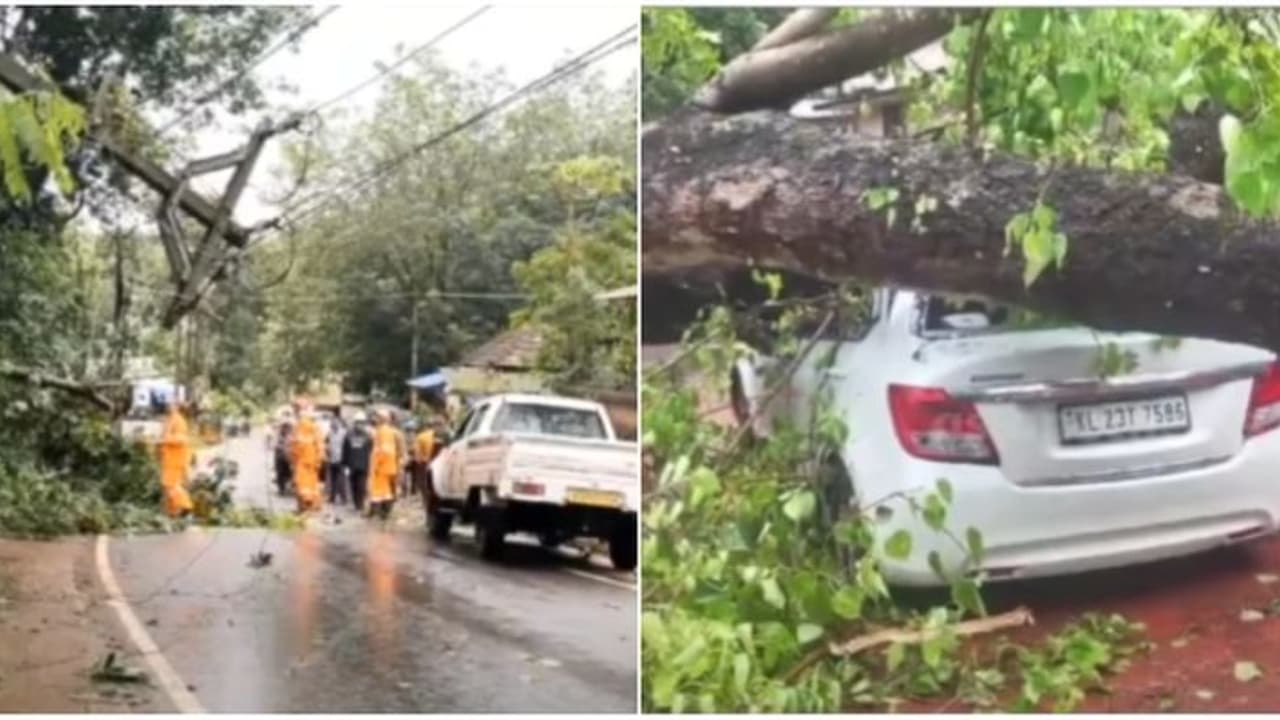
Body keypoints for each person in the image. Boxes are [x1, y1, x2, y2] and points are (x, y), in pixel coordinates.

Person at [158, 400, 194, 518]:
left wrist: (164, 440)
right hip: (171, 458)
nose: (168, 405)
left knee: (171, 486)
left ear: (177, 407)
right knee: (169, 486)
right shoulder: (172, 419)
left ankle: (186, 506)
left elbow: (181, 439)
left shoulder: (178, 420)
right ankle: (172, 512)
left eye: (172, 404)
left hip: (175, 458)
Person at [291, 404, 325, 513]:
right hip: (311, 462)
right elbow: (320, 447)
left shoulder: (298, 428)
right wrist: (319, 462)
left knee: (302, 486)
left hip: (302, 462)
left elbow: (294, 448)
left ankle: (304, 506)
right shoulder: (315, 428)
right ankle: (313, 505)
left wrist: (293, 461)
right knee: (311, 485)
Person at [368, 409, 400, 521]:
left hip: (382, 466)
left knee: (378, 490)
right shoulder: (387, 431)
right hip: (387, 465)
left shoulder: (383, 431)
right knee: (385, 490)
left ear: (382, 419)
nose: (375, 420)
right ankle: (384, 512)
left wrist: (377, 465)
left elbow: (384, 450)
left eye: (377, 417)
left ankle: (378, 512)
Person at [342, 412, 373, 512]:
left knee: (361, 486)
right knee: (353, 485)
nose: (360, 425)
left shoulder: (368, 436)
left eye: (362, 422)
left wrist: (370, 465)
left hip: (363, 466)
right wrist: (345, 465)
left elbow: (371, 451)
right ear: (355, 423)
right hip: (352, 466)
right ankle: (356, 503)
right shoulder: (348, 435)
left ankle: (360, 504)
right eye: (358, 422)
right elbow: (345, 451)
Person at [411, 421, 437, 498]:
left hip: (424, 462)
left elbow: (416, 451)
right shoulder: (437, 436)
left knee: (423, 481)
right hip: (437, 462)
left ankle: (425, 497)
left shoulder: (420, 437)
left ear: (425, 427)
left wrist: (417, 461)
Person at [326, 417, 348, 505]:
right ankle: (332, 497)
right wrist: (327, 453)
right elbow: (327, 444)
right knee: (332, 480)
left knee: (341, 480)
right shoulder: (330, 433)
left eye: (335, 424)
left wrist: (346, 459)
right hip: (332, 459)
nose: (333, 425)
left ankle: (344, 498)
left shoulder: (344, 433)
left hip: (341, 459)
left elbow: (346, 446)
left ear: (338, 424)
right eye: (332, 424)